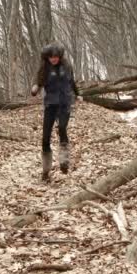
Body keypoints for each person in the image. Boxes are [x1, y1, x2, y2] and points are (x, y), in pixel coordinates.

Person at [31, 43, 82, 181]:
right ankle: (46, 170)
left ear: (59, 56)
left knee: (62, 128)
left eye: (55, 57)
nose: (53, 59)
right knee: (45, 137)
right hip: (51, 104)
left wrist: (78, 94)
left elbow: (71, 82)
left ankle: (64, 160)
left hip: (65, 103)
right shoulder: (45, 68)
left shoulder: (67, 66)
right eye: (50, 57)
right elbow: (38, 80)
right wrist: (35, 88)